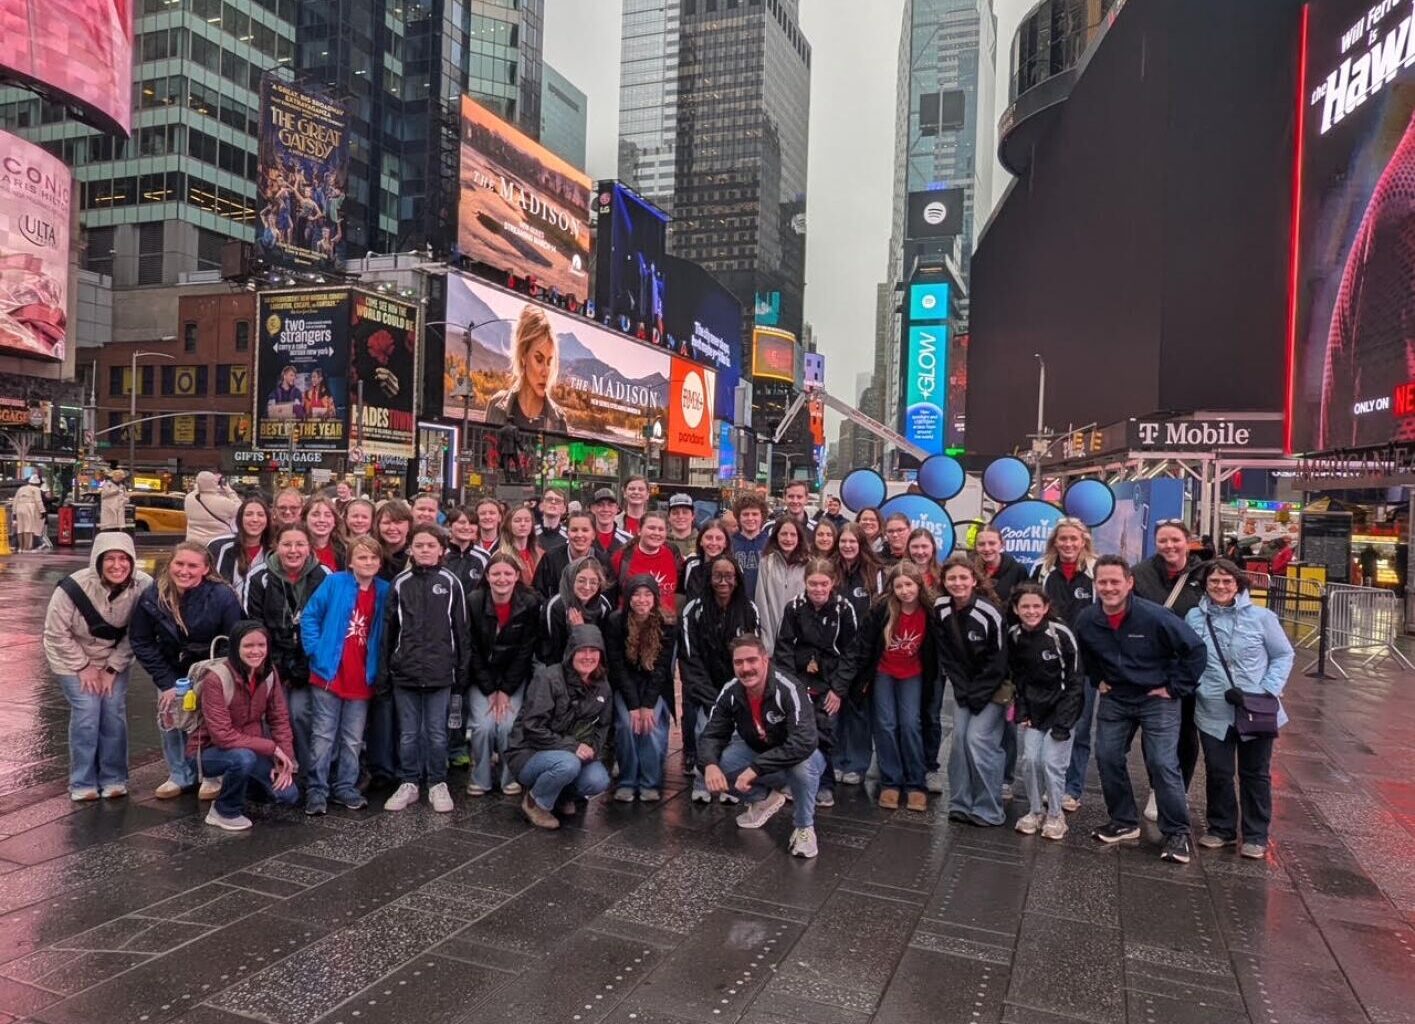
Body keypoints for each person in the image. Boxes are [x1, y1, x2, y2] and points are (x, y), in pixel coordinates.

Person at [1074, 555, 1208, 864]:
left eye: (1115, 581)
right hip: (1117, 697)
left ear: (1130, 583)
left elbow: (1196, 650)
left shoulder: (1154, 616)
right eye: (1103, 582)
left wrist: (1174, 688)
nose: (1109, 588)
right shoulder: (1088, 619)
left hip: (1156, 698)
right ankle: (1123, 821)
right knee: (1107, 756)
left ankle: (1177, 832)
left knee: (1162, 763)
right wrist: (1098, 679)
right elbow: (1086, 652)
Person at [1185, 560, 1293, 858]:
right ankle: (1221, 827)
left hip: (1255, 709)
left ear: (1239, 584)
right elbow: (1187, 654)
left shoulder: (1263, 617)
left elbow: (1283, 654)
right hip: (1212, 709)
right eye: (1214, 581)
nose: (1220, 587)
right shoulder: (1194, 617)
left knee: (1255, 773)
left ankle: (1256, 834)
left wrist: (1267, 689)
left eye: (1226, 581)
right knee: (1218, 771)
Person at [130, 541, 243, 800]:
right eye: (179, 564)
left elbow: (233, 638)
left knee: (209, 722)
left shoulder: (222, 595)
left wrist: (217, 679)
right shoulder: (153, 595)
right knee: (170, 718)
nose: (185, 570)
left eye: (193, 565)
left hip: (210, 667)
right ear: (170, 564)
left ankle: (212, 775)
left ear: (205, 569)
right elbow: (141, 640)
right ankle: (179, 774)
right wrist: (166, 681)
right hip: (172, 667)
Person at [43, 532, 152, 800]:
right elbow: (56, 633)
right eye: (110, 559)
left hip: (114, 657)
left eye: (124, 558)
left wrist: (112, 668)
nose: (118, 565)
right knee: (88, 711)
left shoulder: (143, 585)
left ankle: (114, 777)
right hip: (71, 656)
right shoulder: (72, 588)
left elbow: (138, 632)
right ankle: (82, 781)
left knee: (113, 711)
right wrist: (83, 667)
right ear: (98, 561)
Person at [698, 635, 824, 859]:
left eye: (752, 660)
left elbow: (803, 741)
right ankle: (764, 799)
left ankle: (805, 827)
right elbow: (712, 734)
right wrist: (709, 764)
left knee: (802, 768)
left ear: (765, 659)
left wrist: (755, 769)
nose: (745, 668)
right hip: (760, 752)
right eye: (738, 663)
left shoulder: (788, 687)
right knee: (721, 764)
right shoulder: (732, 691)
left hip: (802, 756)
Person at [381, 524, 469, 813]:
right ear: (411, 549)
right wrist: (388, 666)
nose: (425, 550)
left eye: (431, 545)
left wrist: (459, 670)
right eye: (419, 545)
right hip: (405, 671)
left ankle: (437, 782)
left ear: (442, 549)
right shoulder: (400, 582)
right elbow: (389, 630)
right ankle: (409, 781)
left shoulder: (451, 582)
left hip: (440, 673)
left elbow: (460, 630)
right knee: (408, 733)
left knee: (436, 732)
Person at [300, 535, 389, 814]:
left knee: (352, 738)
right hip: (330, 673)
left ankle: (345, 786)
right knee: (323, 735)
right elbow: (310, 616)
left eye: (374, 558)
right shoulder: (335, 582)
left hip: (362, 676)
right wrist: (316, 650)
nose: (369, 562)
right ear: (350, 561)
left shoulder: (384, 590)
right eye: (362, 557)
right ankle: (317, 789)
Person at [840, 562, 936, 811]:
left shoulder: (930, 611)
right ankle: (891, 780)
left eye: (909, 585)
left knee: (910, 724)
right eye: (899, 586)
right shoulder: (882, 609)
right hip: (884, 672)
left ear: (919, 585)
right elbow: (863, 644)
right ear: (892, 588)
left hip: (913, 673)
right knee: (885, 725)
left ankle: (916, 782)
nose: (905, 591)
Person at [189, 621, 300, 831]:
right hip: (208, 752)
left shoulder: (269, 673)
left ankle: (245, 787)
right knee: (242, 759)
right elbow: (223, 736)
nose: (256, 651)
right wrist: (271, 748)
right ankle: (223, 811)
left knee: (288, 795)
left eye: (262, 645)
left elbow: (279, 718)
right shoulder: (216, 679)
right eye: (248, 646)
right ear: (236, 647)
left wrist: (285, 760)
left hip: (251, 747)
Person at [244, 522, 330, 788]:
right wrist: (274, 666)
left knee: (300, 713)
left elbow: (328, 623)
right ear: (276, 546)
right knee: (270, 713)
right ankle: (274, 767)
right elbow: (254, 624)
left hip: (308, 660)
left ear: (309, 547)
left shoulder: (324, 575)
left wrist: (305, 665)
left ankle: (303, 768)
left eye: (300, 544)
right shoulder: (260, 577)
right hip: (271, 661)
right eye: (287, 544)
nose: (293, 550)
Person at [1132, 520, 1206, 821]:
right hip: (1151, 666)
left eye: (1175, 540)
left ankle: (1180, 788)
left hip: (1188, 667)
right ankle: (1156, 787)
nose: (1169, 546)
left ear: (1187, 541)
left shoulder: (1205, 575)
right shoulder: (1139, 574)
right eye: (1163, 541)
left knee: (1187, 731)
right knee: (1155, 731)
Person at [505, 624, 613, 828]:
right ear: (571, 651)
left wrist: (593, 749)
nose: (588, 656)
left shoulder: (603, 686)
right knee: (567, 764)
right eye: (582, 650)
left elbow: (603, 726)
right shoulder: (549, 678)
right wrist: (573, 747)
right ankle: (535, 802)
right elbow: (532, 726)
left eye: (593, 651)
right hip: (530, 752)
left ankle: (561, 795)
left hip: (571, 752)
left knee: (599, 780)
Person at [774, 558, 858, 807]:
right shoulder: (794, 608)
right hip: (801, 678)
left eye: (824, 584)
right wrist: (793, 688)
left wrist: (838, 689)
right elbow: (784, 648)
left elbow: (852, 652)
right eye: (813, 584)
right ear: (805, 583)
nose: (818, 590)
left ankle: (824, 782)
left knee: (825, 728)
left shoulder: (844, 609)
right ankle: (796, 779)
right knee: (798, 727)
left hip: (831, 680)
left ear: (833, 582)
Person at [933, 555, 1010, 825]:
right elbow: (947, 655)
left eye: (963, 578)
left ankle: (990, 808)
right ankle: (960, 802)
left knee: (979, 741)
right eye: (952, 578)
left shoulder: (989, 612)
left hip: (992, 688)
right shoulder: (941, 608)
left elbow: (999, 661)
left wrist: (977, 694)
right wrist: (962, 690)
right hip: (964, 688)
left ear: (974, 580)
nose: (957, 583)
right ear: (944, 581)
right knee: (958, 742)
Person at [679, 554, 760, 801]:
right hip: (705, 688)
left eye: (728, 576)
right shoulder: (692, 610)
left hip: (738, 687)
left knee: (736, 735)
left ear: (737, 579)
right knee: (705, 730)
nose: (723, 582)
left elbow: (751, 656)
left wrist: (736, 693)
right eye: (717, 576)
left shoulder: (749, 610)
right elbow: (690, 658)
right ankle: (703, 782)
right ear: (708, 578)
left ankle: (730, 783)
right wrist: (712, 698)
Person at [1032, 517, 1099, 812]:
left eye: (1074, 539)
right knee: (1047, 722)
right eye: (1063, 539)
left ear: (1083, 540)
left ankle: (1072, 788)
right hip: (1048, 660)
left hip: (1085, 663)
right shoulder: (1041, 570)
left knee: (1080, 727)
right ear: (1054, 542)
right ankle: (1049, 783)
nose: (1068, 544)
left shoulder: (1097, 571)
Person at [1007, 584, 1083, 840]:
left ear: (1046, 607)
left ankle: (1056, 815)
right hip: (1034, 710)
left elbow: (1075, 680)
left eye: (1036, 606)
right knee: (1030, 761)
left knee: (1052, 763)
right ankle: (1035, 810)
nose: (1031, 611)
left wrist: (1064, 722)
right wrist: (1023, 711)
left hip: (1061, 709)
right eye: (1025, 606)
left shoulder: (1060, 634)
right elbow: (1018, 677)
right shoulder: (1015, 635)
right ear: (1016, 609)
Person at [465, 552, 542, 796]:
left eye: (508, 573)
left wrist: (506, 690)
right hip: (483, 677)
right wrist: (490, 689)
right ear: (487, 576)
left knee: (508, 725)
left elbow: (525, 651)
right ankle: (481, 777)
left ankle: (511, 775)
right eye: (496, 573)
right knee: (483, 726)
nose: (502, 579)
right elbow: (472, 649)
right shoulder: (474, 601)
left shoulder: (529, 603)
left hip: (513, 676)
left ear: (517, 576)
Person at [605, 575, 675, 802]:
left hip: (654, 688)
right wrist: (634, 705)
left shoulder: (667, 624)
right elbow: (617, 667)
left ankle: (649, 781)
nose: (641, 600)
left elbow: (662, 669)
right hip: (626, 687)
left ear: (655, 598)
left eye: (647, 594)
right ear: (628, 597)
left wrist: (647, 705)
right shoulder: (616, 621)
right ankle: (627, 779)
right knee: (627, 724)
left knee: (650, 726)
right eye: (636, 594)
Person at [485, 304, 569, 431]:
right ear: (523, 356)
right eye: (539, 359)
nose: (545, 372)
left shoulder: (559, 420)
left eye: (549, 361)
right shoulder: (496, 407)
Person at [541, 556, 614, 664]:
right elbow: (552, 651)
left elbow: (602, 646)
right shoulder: (555, 607)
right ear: (571, 580)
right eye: (581, 581)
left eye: (593, 582)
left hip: (591, 664)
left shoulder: (603, 606)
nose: (587, 587)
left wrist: (580, 631)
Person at [753, 517, 809, 651]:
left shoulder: (809, 564)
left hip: (801, 640)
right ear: (776, 536)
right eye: (784, 534)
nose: (788, 539)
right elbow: (761, 601)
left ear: (799, 538)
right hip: (773, 637)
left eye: (793, 535)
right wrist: (767, 642)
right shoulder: (766, 563)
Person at [613, 511, 682, 613]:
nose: (656, 533)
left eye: (661, 529)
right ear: (639, 530)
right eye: (651, 528)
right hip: (632, 621)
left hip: (666, 622)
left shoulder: (672, 553)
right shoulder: (623, 557)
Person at [533, 511, 606, 601]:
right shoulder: (551, 558)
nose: (579, 535)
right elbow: (538, 593)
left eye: (585, 530)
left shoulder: (603, 561)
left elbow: (608, 597)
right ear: (567, 533)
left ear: (593, 535)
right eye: (574, 530)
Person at [209, 497, 271, 601]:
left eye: (260, 515)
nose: (255, 519)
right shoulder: (221, 546)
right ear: (240, 519)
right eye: (249, 514)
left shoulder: (273, 551)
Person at [973, 525, 1028, 607]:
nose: (987, 548)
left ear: (1001, 544)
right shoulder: (970, 570)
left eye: (992, 543)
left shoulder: (1018, 570)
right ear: (976, 547)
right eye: (981, 544)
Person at [680, 519, 730, 602]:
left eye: (719, 538)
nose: (713, 543)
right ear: (700, 541)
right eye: (709, 538)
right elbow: (681, 594)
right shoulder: (690, 564)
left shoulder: (734, 567)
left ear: (725, 543)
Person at [185, 472, 240, 546]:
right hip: (217, 543)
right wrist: (230, 491)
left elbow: (200, 489)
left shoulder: (189, 498)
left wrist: (207, 483)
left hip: (194, 542)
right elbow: (240, 509)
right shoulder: (223, 502)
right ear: (214, 484)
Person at [730, 494, 771, 595]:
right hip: (737, 599)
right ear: (738, 517)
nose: (750, 518)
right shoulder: (729, 543)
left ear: (762, 517)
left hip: (763, 599)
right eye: (745, 514)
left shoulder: (770, 543)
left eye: (755, 514)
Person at [500, 505, 541, 586]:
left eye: (527, 520)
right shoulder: (501, 556)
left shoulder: (541, 554)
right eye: (517, 521)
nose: (523, 524)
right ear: (509, 525)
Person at [303, 494, 345, 572]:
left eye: (327, 515)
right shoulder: (295, 550)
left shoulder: (344, 551)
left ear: (334, 521)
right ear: (305, 519)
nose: (322, 520)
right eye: (315, 515)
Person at [590, 489, 632, 567]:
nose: (605, 509)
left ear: (617, 509)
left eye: (610, 505)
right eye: (600, 504)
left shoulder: (628, 540)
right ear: (592, 509)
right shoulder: (583, 537)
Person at [13, 474, 47, 552]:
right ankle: (26, 548)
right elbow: (38, 501)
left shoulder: (21, 489)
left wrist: (14, 512)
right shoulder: (36, 489)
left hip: (19, 507)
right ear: (37, 484)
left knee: (20, 528)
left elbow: (15, 500)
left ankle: (20, 548)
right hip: (29, 507)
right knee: (28, 528)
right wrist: (42, 511)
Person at [535, 488, 569, 552]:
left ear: (564, 509)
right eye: (549, 499)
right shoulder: (531, 533)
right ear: (541, 506)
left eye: (558, 501)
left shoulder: (569, 535)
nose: (553, 502)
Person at [666, 493, 698, 559]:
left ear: (693, 516)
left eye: (685, 512)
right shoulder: (660, 541)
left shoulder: (702, 541)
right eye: (675, 513)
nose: (680, 516)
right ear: (669, 517)